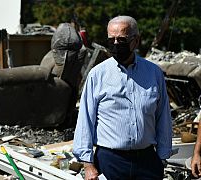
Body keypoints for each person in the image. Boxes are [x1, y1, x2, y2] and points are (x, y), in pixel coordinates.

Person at [72, 15, 172, 180]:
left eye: (122, 39)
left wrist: (162, 157)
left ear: (136, 41)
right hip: (110, 161)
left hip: (147, 161)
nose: (116, 44)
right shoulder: (98, 75)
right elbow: (85, 121)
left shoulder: (153, 73)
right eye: (112, 40)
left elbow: (163, 117)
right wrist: (88, 164)